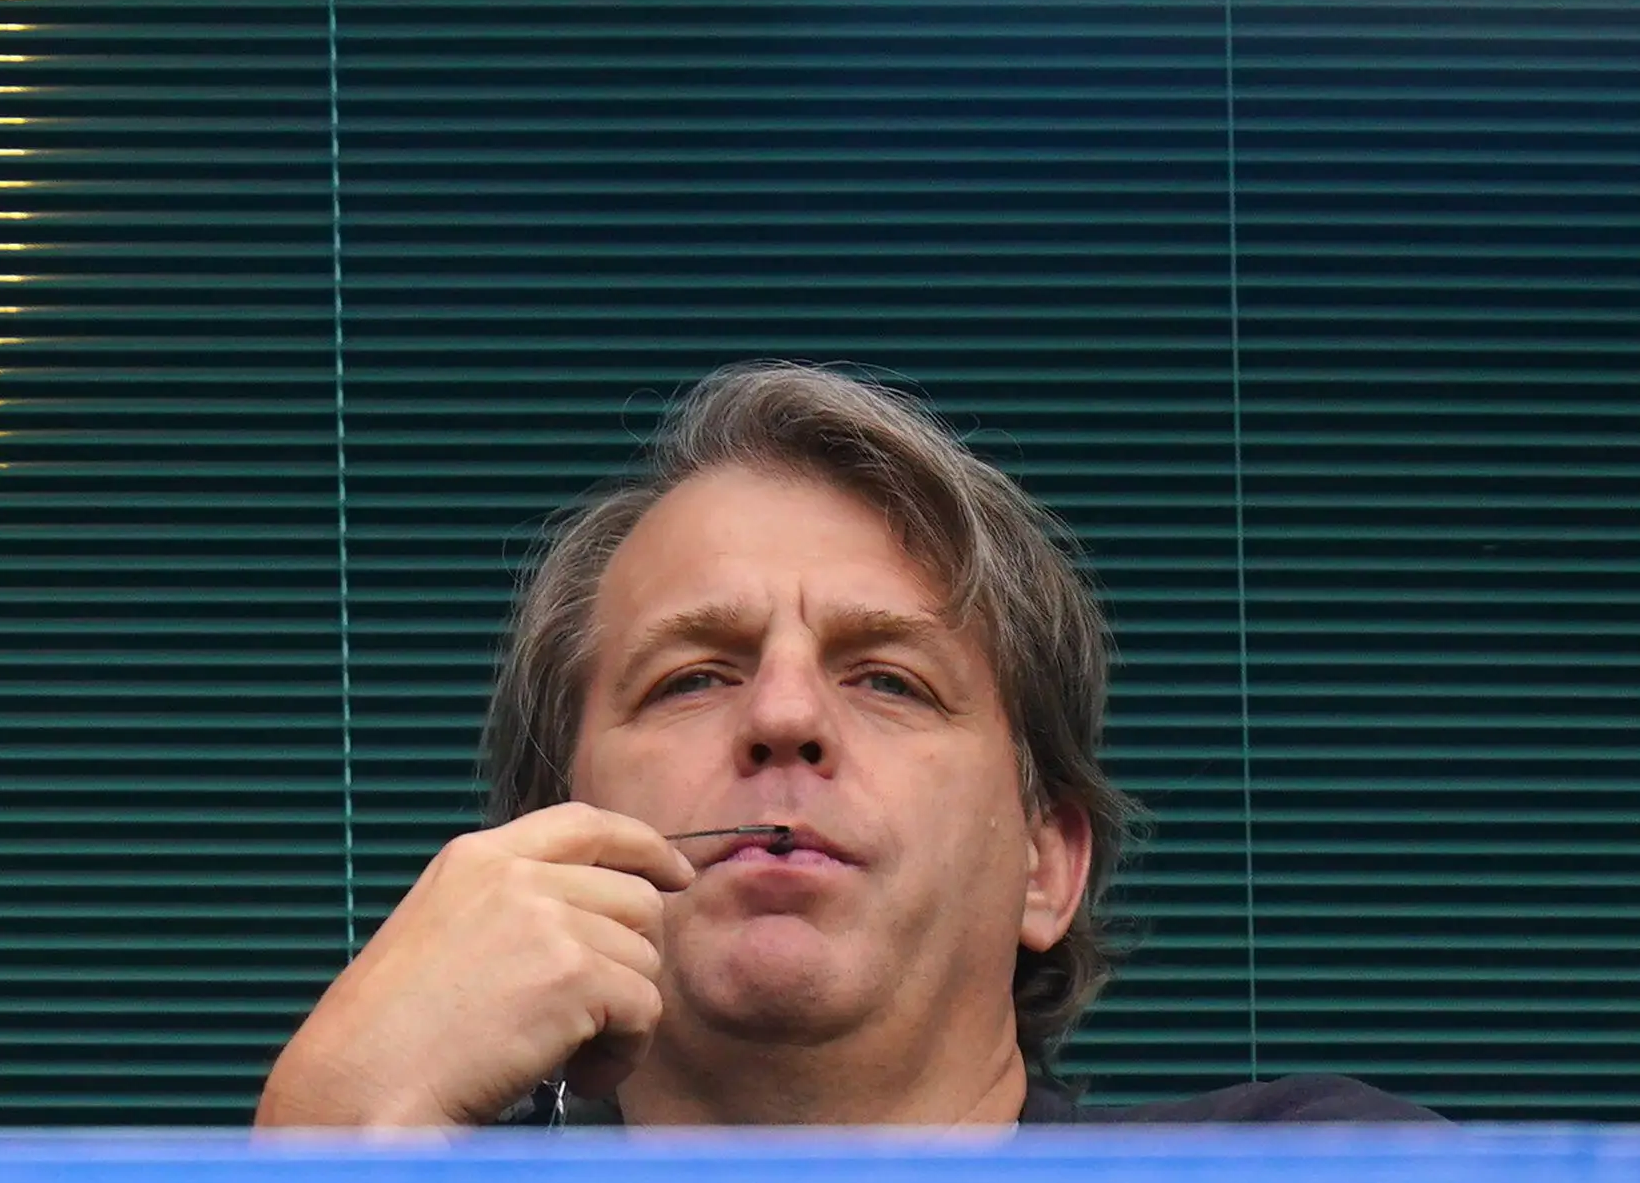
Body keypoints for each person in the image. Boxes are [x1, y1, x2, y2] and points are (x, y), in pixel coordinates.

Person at [259, 362, 1435, 1130]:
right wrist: (331, 1140)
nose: (782, 717)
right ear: (548, 840)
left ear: (1044, 865)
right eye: (691, 677)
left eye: (887, 678)